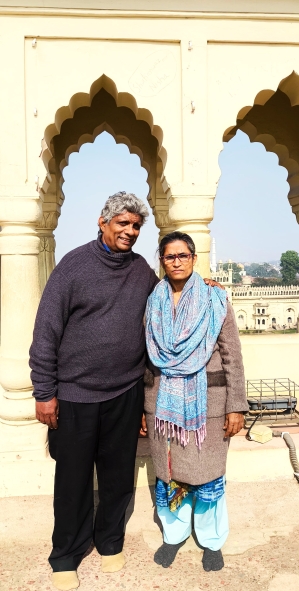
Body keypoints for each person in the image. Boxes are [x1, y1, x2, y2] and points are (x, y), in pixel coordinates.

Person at [29, 193, 219, 591]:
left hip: (125, 393)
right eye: (123, 224)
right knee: (73, 479)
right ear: (103, 223)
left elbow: (168, 297)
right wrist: (45, 392)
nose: (130, 232)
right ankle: (66, 553)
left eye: (136, 226)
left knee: (117, 478)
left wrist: (204, 285)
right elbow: (45, 331)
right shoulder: (73, 267)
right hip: (76, 395)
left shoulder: (139, 271)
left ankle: (109, 541)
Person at [145, 231, 248, 573]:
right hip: (163, 405)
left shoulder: (215, 299)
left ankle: (212, 540)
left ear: (193, 258)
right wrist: (141, 409)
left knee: (207, 475)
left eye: (182, 256)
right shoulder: (153, 300)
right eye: (169, 256)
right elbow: (144, 360)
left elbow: (232, 355)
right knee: (170, 472)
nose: (176, 262)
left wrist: (236, 405)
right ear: (162, 261)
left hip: (208, 405)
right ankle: (174, 535)